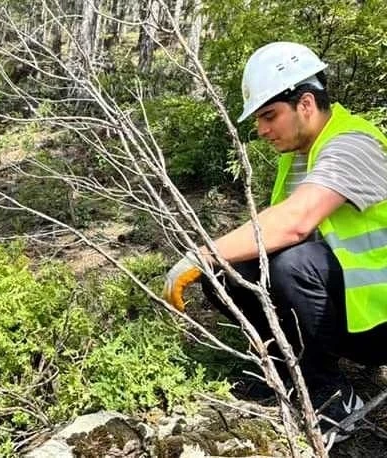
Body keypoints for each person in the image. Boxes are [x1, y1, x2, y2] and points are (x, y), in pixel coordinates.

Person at [162, 41, 387, 445]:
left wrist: (199, 253)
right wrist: (212, 263)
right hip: (349, 313)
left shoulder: (353, 144)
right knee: (226, 273)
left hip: (378, 321)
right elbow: (270, 233)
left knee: (292, 263)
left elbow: (295, 224)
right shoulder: (299, 156)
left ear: (304, 103)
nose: (262, 130)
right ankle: (291, 372)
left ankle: (334, 395)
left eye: (269, 116)